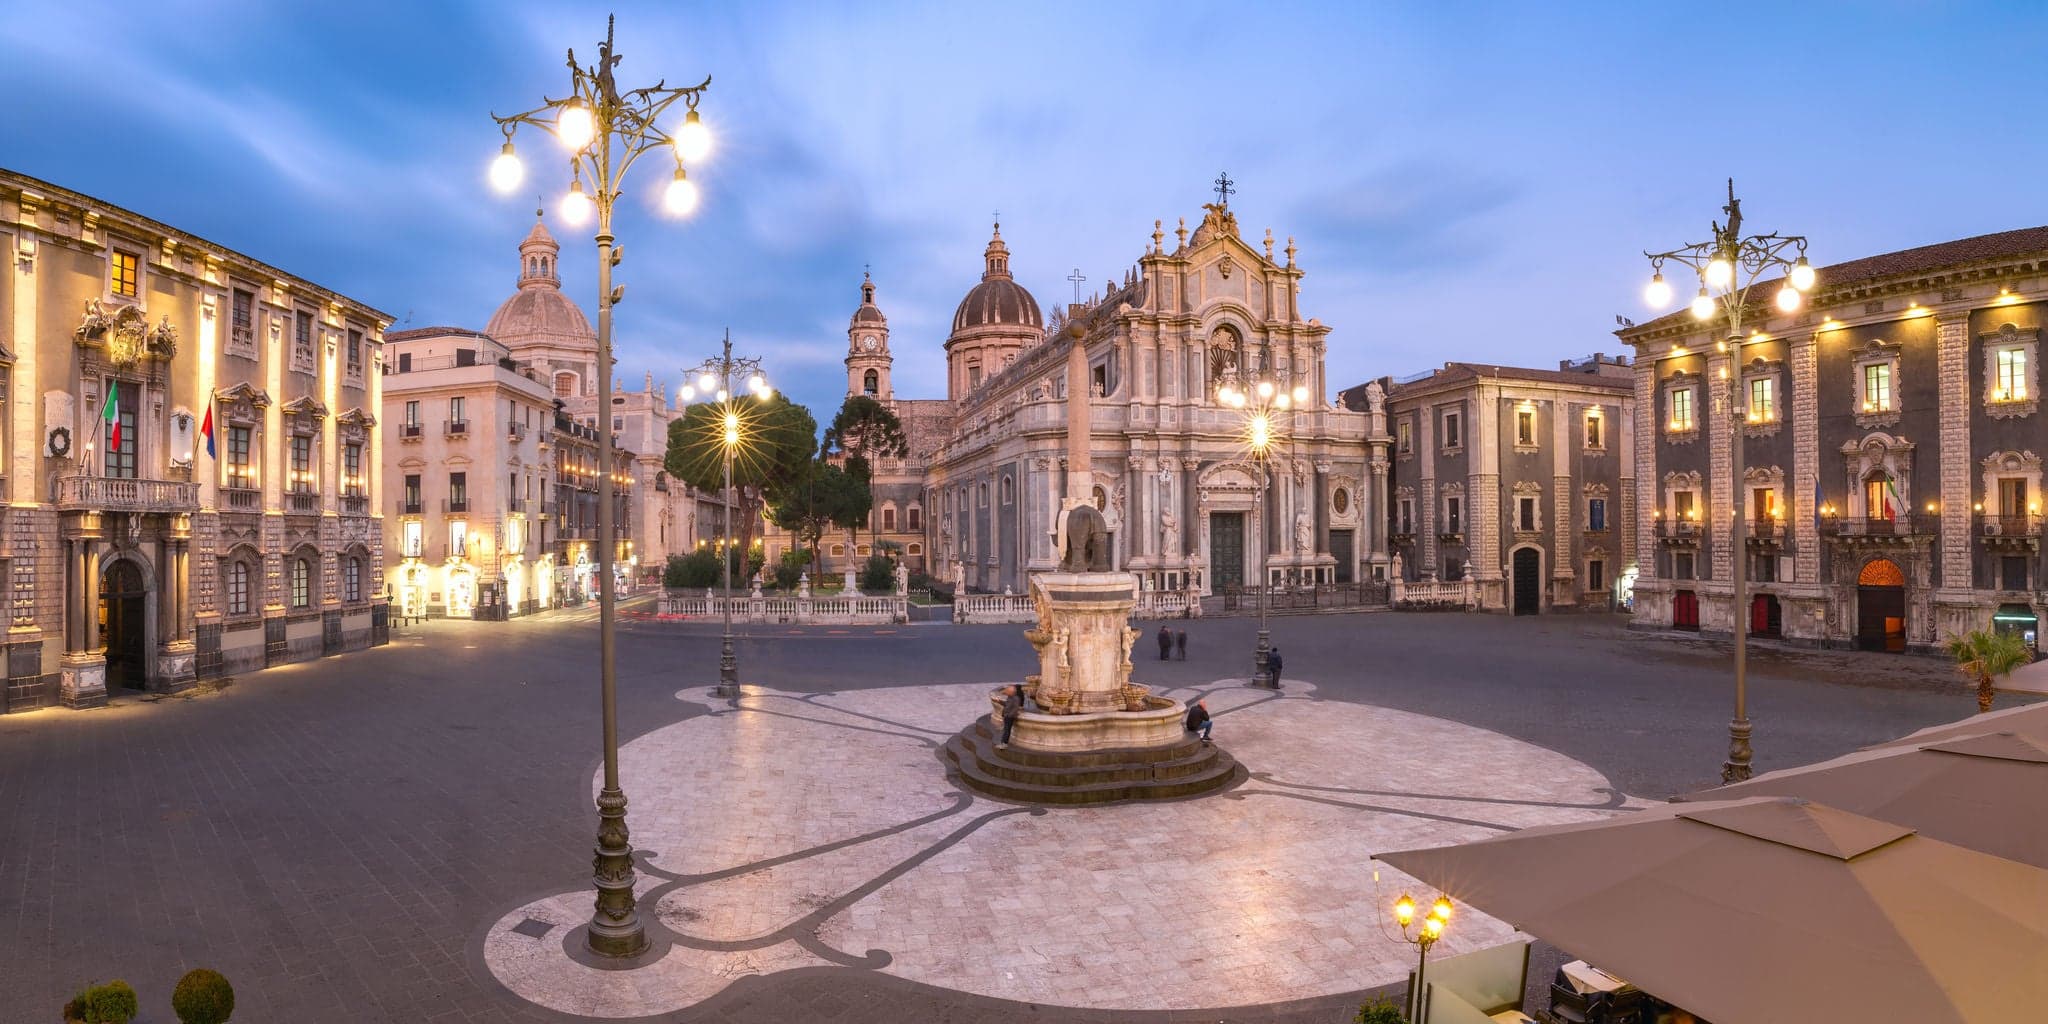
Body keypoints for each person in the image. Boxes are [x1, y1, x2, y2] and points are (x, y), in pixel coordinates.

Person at [997, 684, 1023, 749]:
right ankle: (1003, 743)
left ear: (1011, 692)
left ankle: (1004, 743)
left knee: (1007, 730)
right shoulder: (1010, 697)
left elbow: (1016, 708)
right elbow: (1007, 704)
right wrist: (1000, 702)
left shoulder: (1016, 699)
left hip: (1009, 717)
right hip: (1006, 715)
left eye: (1008, 692)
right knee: (1006, 729)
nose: (1006, 693)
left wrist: (1010, 715)